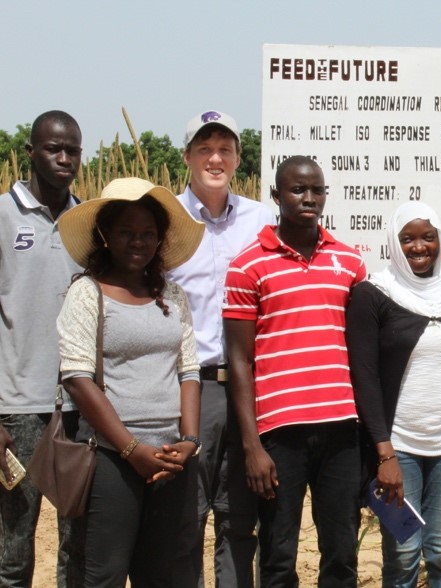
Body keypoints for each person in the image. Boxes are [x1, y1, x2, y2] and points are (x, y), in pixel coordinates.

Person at [224, 156, 366, 587]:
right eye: (297, 190)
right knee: (278, 554)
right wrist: (252, 446)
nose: (308, 198)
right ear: (276, 196)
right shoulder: (247, 266)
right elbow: (238, 361)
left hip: (342, 428)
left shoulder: (350, 263)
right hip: (279, 434)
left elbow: (361, 351)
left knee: (341, 552)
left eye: (316, 190)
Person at [56, 177, 205, 586]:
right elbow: (77, 377)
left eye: (147, 234)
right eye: (126, 232)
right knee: (104, 573)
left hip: (171, 457)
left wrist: (189, 441)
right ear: (105, 235)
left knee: (159, 573)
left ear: (160, 239)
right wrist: (131, 448)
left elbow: (188, 371)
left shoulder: (171, 295)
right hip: (110, 457)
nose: (137, 242)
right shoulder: (87, 293)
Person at [167, 110, 275, 588]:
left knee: (239, 518)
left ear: (237, 158)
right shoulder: (165, 217)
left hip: (251, 390)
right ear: (187, 156)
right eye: (205, 149)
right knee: (185, 519)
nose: (215, 158)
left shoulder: (261, 219)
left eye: (225, 149)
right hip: (189, 388)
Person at [347, 202, 441, 587]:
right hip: (398, 450)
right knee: (402, 558)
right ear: (393, 244)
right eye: (407, 239)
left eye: (428, 237)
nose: (419, 247)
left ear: (440, 242)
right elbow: (363, 377)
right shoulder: (373, 294)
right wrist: (384, 453)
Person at [0, 110, 86, 588]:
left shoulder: (86, 222)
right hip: (17, 410)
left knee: (78, 542)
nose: (64, 158)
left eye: (72, 149)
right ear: (31, 152)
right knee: (13, 546)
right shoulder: (3, 216)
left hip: (77, 406)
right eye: (54, 148)